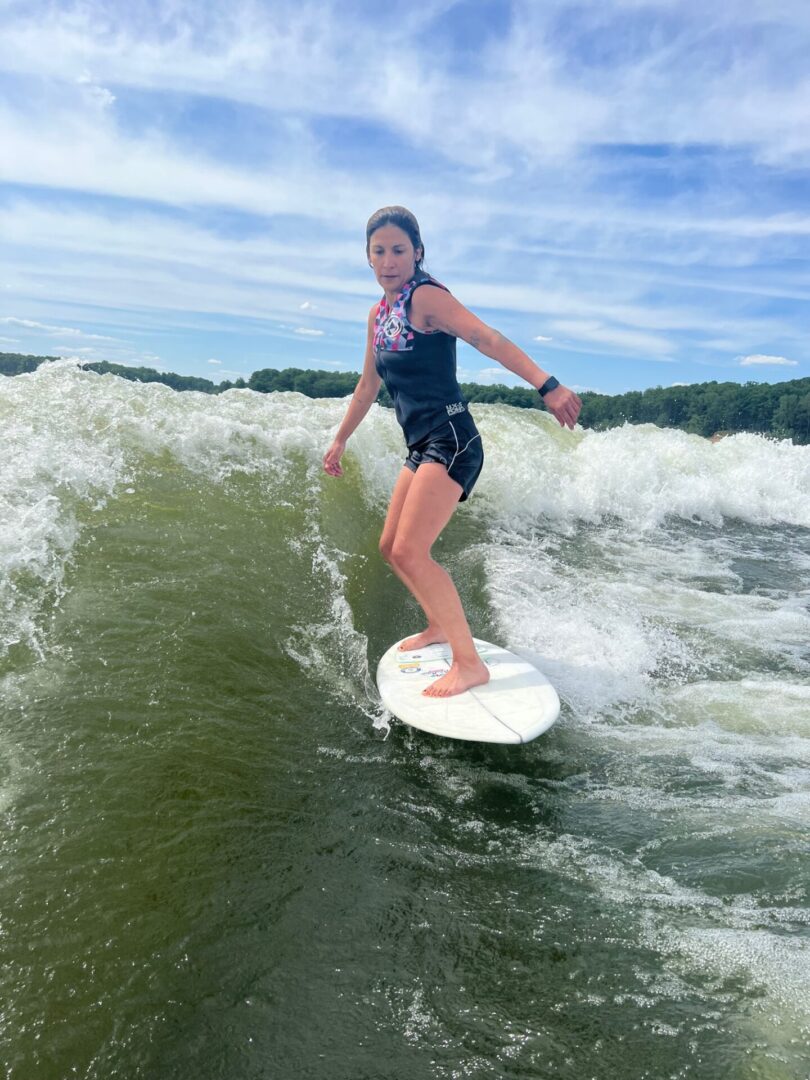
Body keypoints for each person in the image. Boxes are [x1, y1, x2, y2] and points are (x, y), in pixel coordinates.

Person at [323, 206, 581, 698]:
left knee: (409, 550)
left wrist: (546, 385)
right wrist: (340, 438)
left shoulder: (427, 297)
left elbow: (485, 336)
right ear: (368, 258)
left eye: (399, 250)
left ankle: (469, 664)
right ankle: (439, 626)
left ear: (417, 252)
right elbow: (367, 385)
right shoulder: (379, 315)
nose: (389, 260)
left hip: (453, 439)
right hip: (422, 444)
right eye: (379, 251)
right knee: (390, 549)